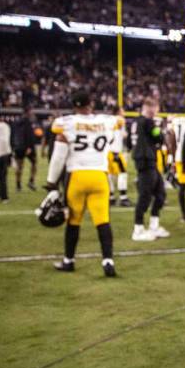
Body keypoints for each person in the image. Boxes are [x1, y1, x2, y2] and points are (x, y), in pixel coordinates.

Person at [45, 91, 121, 277]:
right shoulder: (106, 121)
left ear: (74, 105)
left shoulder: (67, 123)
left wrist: (51, 183)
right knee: (103, 220)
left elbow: (59, 156)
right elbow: (119, 122)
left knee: (73, 220)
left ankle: (69, 260)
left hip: (77, 176)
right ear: (91, 103)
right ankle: (108, 261)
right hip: (100, 176)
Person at [131, 97, 169, 242]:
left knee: (160, 194)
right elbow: (158, 136)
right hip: (146, 161)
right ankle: (138, 229)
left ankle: (154, 225)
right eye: (154, 108)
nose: (155, 111)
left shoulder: (137, 122)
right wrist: (161, 132)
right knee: (145, 196)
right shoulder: (147, 122)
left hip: (148, 160)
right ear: (149, 108)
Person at [10, 106, 39, 192]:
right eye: (31, 111)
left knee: (19, 166)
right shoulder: (28, 122)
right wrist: (29, 147)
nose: (33, 113)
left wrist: (13, 146)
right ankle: (31, 181)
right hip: (27, 146)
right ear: (28, 112)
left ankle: (18, 185)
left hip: (18, 147)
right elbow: (28, 134)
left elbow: (13, 134)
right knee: (34, 163)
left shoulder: (16, 121)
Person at [107, 105, 132, 207]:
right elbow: (124, 135)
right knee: (123, 173)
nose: (124, 112)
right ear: (118, 111)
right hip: (116, 151)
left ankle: (111, 197)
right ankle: (123, 197)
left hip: (107, 152)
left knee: (110, 175)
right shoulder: (120, 120)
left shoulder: (107, 120)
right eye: (122, 110)